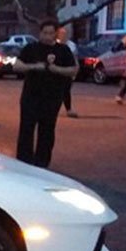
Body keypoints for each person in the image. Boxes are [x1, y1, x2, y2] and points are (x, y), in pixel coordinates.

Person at [13, 19, 78, 167]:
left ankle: (42, 162)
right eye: (44, 33)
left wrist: (57, 70)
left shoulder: (63, 50)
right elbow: (17, 66)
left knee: (47, 130)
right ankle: (24, 162)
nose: (47, 36)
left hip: (52, 98)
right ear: (40, 33)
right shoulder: (31, 48)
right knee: (26, 129)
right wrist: (35, 66)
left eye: (50, 33)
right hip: (31, 96)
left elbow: (73, 70)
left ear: (56, 33)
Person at [56, 26, 79, 118]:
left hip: (68, 70)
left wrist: (75, 70)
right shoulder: (54, 44)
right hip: (56, 71)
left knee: (66, 91)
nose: (63, 35)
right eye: (61, 33)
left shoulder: (71, 45)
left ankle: (68, 109)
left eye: (65, 34)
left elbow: (75, 58)